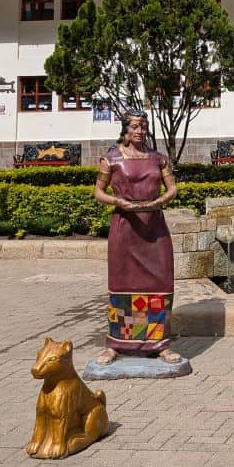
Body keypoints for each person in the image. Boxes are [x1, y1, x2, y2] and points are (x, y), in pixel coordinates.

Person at [92, 110, 183, 367]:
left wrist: (158, 202)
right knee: (122, 284)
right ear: (125, 129)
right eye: (135, 126)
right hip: (125, 226)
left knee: (159, 283)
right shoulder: (110, 158)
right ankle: (116, 343)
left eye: (143, 126)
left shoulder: (158, 159)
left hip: (154, 227)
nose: (140, 131)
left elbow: (172, 188)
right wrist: (118, 201)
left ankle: (160, 343)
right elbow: (98, 192)